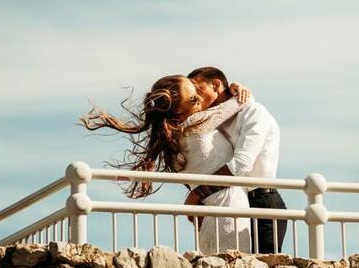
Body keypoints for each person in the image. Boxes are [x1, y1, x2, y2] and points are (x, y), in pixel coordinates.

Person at [80, 74, 254, 254]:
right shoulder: (197, 122)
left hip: (210, 213)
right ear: (178, 110)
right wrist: (237, 87)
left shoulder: (172, 140)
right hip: (228, 206)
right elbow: (243, 101)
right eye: (195, 98)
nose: (201, 99)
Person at [185, 66, 287, 254]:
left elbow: (241, 164)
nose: (196, 98)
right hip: (231, 200)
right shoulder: (211, 121)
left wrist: (199, 193)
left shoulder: (254, 112)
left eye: (199, 90)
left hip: (262, 202)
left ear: (215, 85)